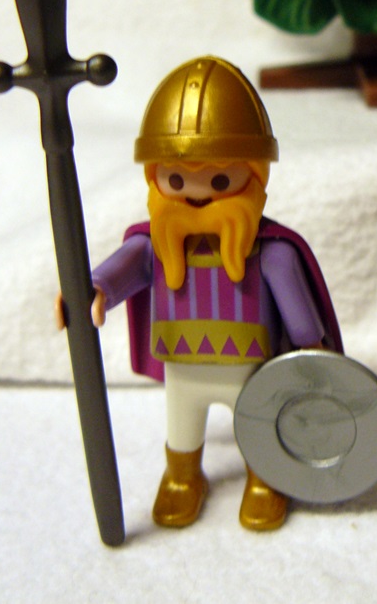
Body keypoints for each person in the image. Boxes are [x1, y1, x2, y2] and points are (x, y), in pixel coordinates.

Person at [59, 56, 341, 531]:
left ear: (253, 175)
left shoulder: (271, 252)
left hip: (251, 367)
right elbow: (123, 267)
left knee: (258, 421)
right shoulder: (155, 246)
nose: (196, 195)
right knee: (182, 426)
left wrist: (311, 348)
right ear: (155, 177)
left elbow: (298, 311)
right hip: (182, 362)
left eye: (219, 179)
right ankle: (183, 477)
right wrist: (94, 288)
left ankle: (264, 478)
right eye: (176, 179)